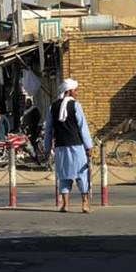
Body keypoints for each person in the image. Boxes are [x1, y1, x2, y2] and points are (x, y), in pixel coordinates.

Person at [43, 78, 94, 214]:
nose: (77, 93)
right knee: (81, 175)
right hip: (76, 146)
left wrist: (47, 147)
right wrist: (89, 146)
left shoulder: (52, 107)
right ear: (70, 91)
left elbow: (48, 129)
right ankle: (85, 203)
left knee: (64, 175)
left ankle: (65, 204)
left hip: (60, 147)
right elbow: (83, 127)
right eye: (76, 90)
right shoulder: (76, 106)